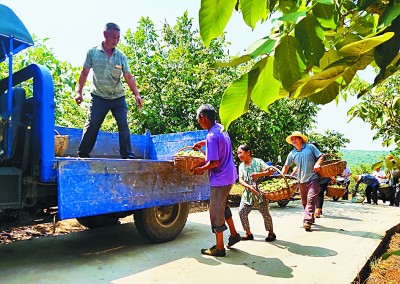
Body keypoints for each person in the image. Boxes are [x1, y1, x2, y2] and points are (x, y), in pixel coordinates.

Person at [74, 23, 143, 159]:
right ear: (105, 35)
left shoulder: (121, 56)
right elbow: (84, 73)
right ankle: (83, 153)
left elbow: (128, 76)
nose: (116, 41)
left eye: (118, 38)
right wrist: (79, 92)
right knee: (93, 123)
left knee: (123, 124)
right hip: (99, 96)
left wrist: (136, 94)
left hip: (118, 97)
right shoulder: (92, 52)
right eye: (113, 37)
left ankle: (128, 154)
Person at [192, 104, 240, 257]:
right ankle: (233, 235)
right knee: (223, 206)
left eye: (198, 119)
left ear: (203, 118)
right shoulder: (221, 128)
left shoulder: (211, 136)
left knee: (215, 212)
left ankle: (219, 248)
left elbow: (214, 163)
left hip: (220, 179)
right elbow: (216, 141)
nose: (198, 121)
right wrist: (203, 143)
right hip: (230, 175)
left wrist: (200, 169)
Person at [282, 131, 324, 231]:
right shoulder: (292, 153)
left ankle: (307, 221)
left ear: (301, 139)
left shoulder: (310, 148)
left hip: (313, 178)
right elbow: (286, 166)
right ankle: (311, 217)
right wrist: (281, 177)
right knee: (304, 202)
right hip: (301, 180)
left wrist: (318, 164)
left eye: (295, 138)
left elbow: (321, 156)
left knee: (310, 200)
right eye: (292, 139)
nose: (293, 140)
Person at [236, 144, 276, 242]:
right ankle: (248, 233)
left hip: (260, 194)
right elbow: (240, 180)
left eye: (240, 152)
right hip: (248, 195)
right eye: (238, 153)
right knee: (242, 212)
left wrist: (259, 174)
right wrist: (248, 186)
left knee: (265, 214)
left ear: (248, 152)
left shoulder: (258, 162)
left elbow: (271, 171)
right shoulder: (241, 166)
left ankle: (271, 233)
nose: (239, 155)